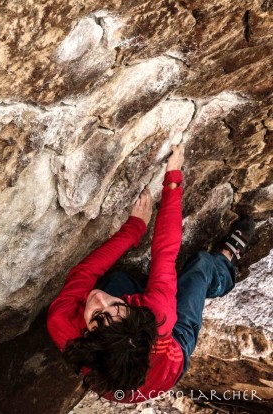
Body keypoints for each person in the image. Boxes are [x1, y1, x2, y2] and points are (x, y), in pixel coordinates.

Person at [47, 144, 255, 403]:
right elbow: (165, 252)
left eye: (105, 310)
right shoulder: (160, 314)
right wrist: (173, 178)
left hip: (121, 382)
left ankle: (158, 284)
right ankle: (226, 264)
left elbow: (85, 273)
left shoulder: (61, 322)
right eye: (107, 309)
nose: (99, 298)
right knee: (201, 268)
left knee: (115, 281)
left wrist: (134, 228)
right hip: (169, 364)